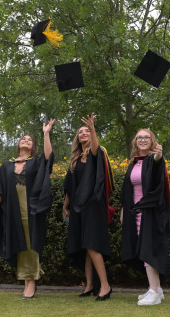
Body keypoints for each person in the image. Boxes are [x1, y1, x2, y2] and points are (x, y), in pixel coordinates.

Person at [0, 119, 55, 299]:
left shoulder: (36, 162)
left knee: (31, 243)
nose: (26, 140)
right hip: (12, 211)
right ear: (18, 144)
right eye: (23, 139)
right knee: (19, 243)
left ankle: (31, 282)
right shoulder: (6, 165)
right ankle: (27, 281)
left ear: (33, 146)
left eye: (30, 140)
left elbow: (49, 157)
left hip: (32, 210)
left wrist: (46, 133)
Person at [63, 114, 115, 301]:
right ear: (77, 138)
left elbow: (95, 147)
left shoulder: (96, 153)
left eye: (86, 131)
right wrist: (65, 206)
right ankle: (90, 285)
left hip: (93, 205)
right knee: (84, 247)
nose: (83, 133)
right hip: (77, 208)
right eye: (81, 132)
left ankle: (105, 286)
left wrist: (93, 129)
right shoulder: (75, 159)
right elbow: (70, 186)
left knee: (93, 245)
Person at [120, 129, 170, 306]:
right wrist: (123, 211)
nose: (142, 140)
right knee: (143, 249)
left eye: (146, 137)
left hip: (150, 212)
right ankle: (157, 289)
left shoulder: (152, 160)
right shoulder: (134, 163)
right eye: (139, 137)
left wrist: (158, 155)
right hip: (135, 213)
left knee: (149, 249)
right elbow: (127, 190)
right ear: (135, 141)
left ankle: (153, 291)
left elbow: (157, 164)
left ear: (152, 141)